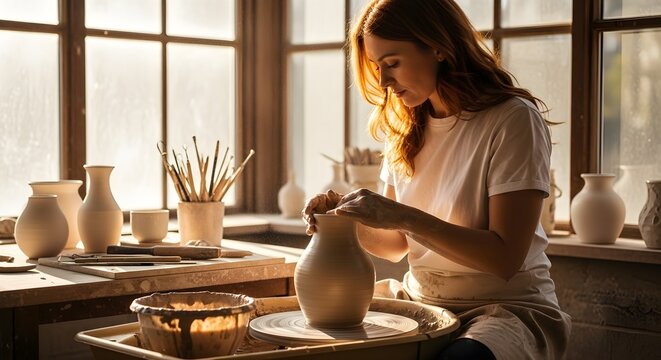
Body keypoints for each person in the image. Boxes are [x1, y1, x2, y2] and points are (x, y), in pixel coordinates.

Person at [302, 0, 571, 359]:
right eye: (377, 67)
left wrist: (401, 215)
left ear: (438, 46)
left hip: (505, 309)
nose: (383, 82)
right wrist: (341, 219)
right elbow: (396, 244)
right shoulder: (405, 127)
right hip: (422, 301)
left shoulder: (512, 120)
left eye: (392, 63)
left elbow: (504, 258)